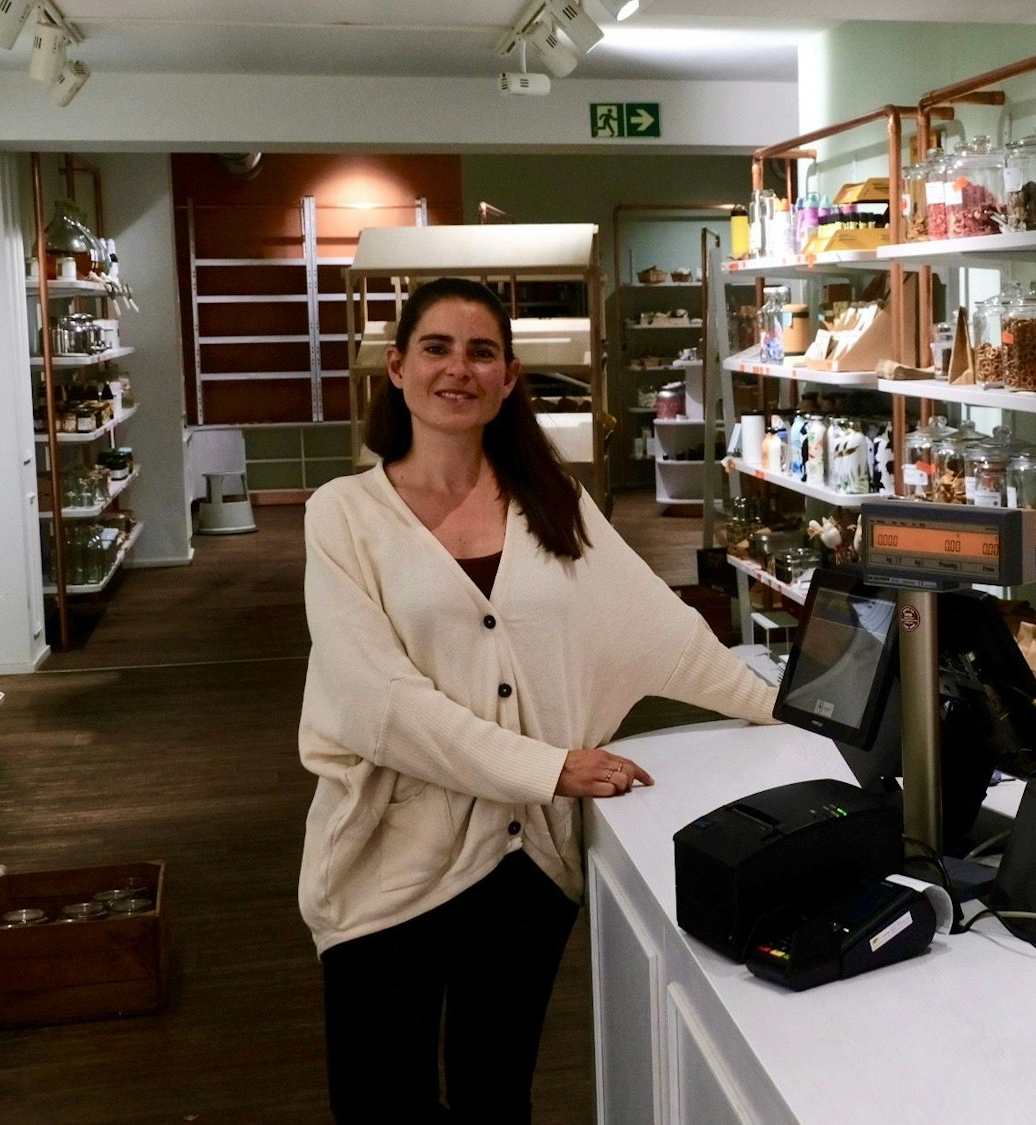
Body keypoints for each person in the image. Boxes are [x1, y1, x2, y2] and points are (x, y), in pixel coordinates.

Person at [298, 277, 777, 1122]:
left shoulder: (553, 502)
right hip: (387, 862)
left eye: (482, 351)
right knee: (380, 1101)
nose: (460, 368)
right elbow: (382, 703)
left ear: (510, 377)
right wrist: (548, 766)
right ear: (397, 368)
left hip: (525, 864)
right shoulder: (344, 516)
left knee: (496, 1096)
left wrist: (799, 715)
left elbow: (665, 635)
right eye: (437, 348)